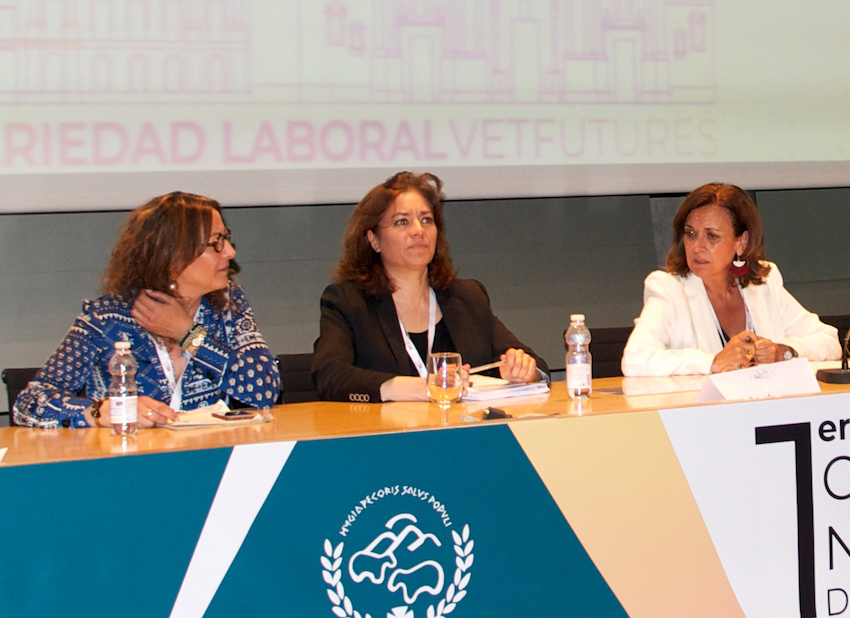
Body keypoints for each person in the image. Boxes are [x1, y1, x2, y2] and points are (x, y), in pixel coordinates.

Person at [14, 192, 280, 428]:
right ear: (172, 255)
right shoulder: (108, 318)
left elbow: (265, 390)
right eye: (216, 242)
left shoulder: (228, 305)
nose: (230, 252)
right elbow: (30, 403)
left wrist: (188, 334)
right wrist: (100, 411)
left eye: (227, 239)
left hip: (208, 461)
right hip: (127, 465)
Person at [313, 171, 549, 402]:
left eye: (426, 220)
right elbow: (330, 376)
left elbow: (537, 365)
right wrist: (417, 388)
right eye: (402, 222)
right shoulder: (348, 301)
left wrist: (525, 369)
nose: (418, 231)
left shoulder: (467, 297)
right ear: (373, 240)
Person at [621, 183, 840, 376]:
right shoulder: (669, 289)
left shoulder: (763, 283)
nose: (697, 247)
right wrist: (713, 362)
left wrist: (783, 351)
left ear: (741, 242)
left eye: (712, 236)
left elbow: (829, 341)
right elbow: (635, 359)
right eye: (690, 233)